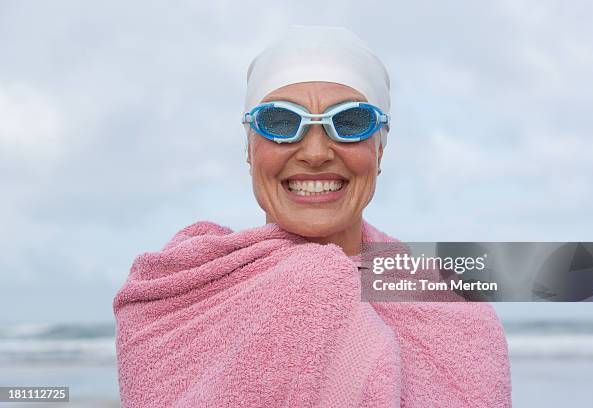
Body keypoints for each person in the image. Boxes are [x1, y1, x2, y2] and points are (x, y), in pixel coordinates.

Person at [114, 25, 511, 407]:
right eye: (281, 122)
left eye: (351, 122)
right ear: (249, 150)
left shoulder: (454, 313)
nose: (316, 152)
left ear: (380, 152)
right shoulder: (174, 301)